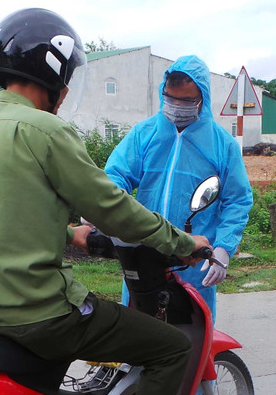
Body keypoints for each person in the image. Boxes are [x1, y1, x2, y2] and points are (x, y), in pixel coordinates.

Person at [0, 8, 210, 395]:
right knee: (170, 348)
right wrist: (180, 242)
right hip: (42, 311)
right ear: (54, 73)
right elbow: (115, 209)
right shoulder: (45, 131)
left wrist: (71, 235)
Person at [104, 55, 253, 322]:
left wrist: (223, 248)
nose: (176, 107)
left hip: (193, 260)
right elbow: (116, 175)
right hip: (144, 252)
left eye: (185, 101)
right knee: (138, 331)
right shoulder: (144, 133)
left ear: (202, 98)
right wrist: (103, 207)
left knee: (191, 337)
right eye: (170, 98)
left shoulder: (222, 144)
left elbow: (237, 200)